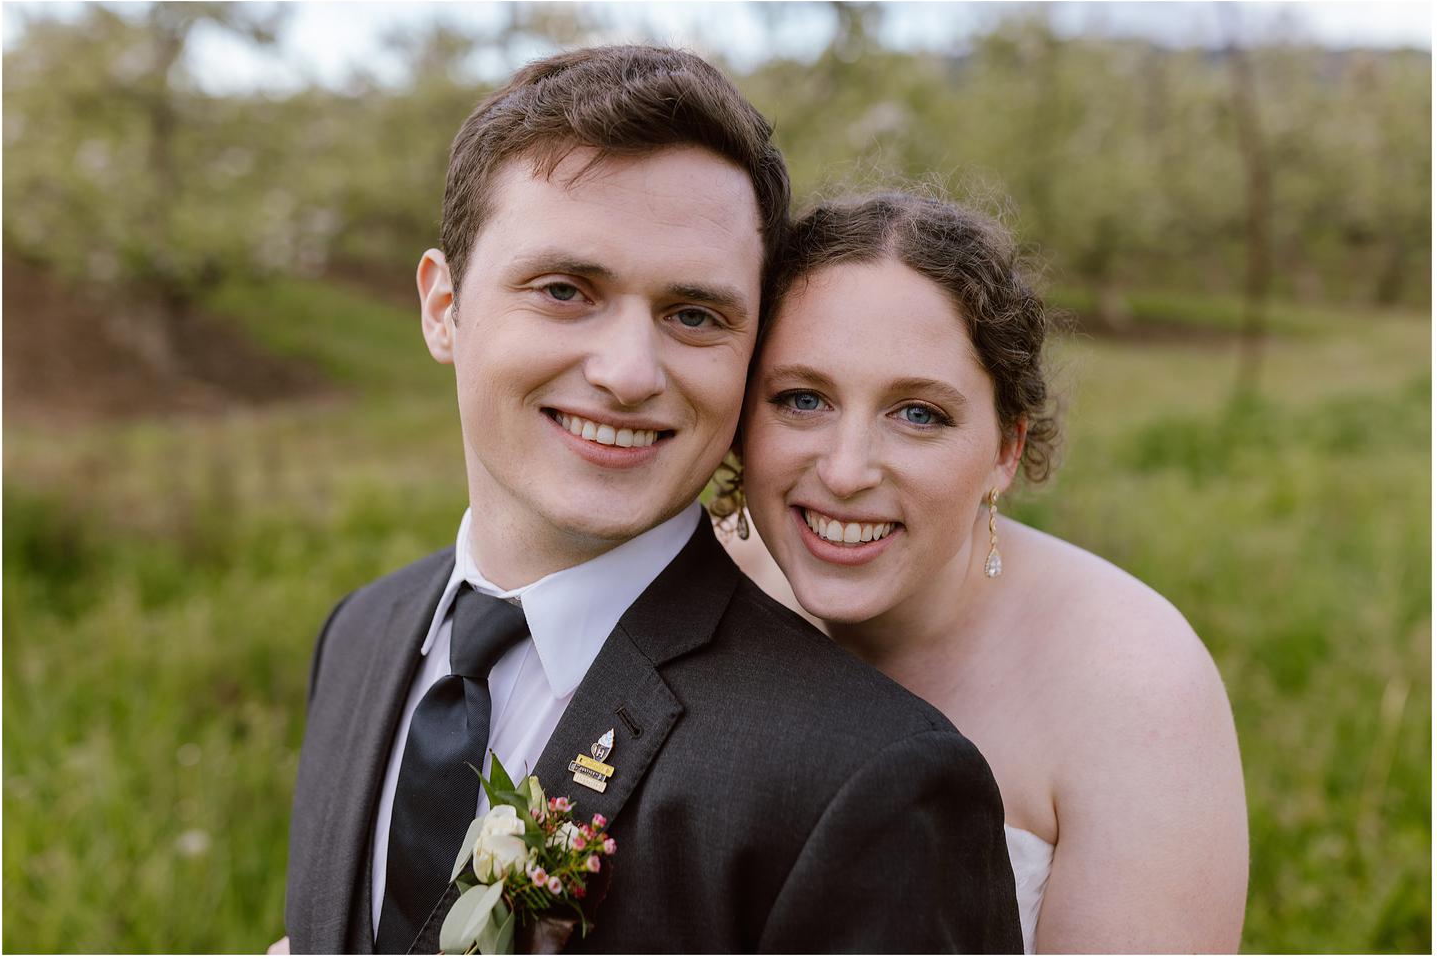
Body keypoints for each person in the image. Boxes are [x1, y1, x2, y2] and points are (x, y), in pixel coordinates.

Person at [277, 49, 1022, 954]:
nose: (629, 374)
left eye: (694, 315)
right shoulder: (359, 634)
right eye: (565, 291)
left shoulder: (865, 778)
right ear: (444, 307)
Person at [723, 191, 1250, 953]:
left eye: (918, 414)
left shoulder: (1136, 686)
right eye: (803, 399)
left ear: (1006, 450)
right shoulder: (697, 587)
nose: (844, 471)